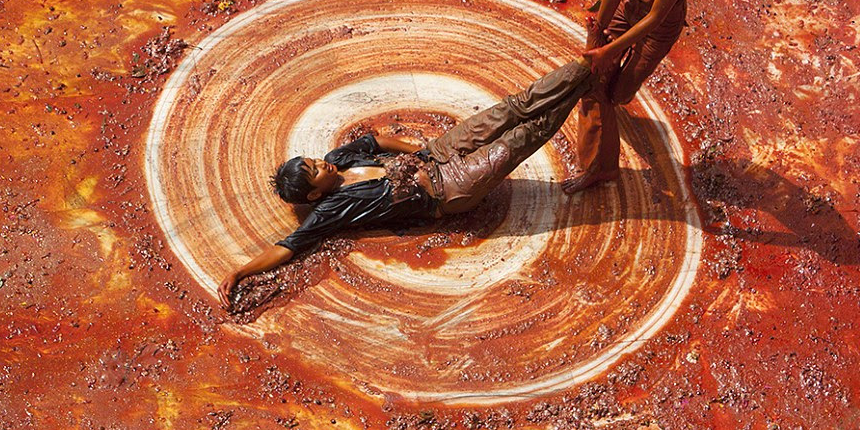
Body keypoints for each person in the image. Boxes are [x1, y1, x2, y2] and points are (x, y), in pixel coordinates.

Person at [217, 57, 595, 307]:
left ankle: (585, 67)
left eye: (314, 160)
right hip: (448, 187)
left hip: (437, 153)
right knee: (523, 137)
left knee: (511, 108)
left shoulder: (338, 159)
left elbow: (375, 141)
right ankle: (589, 84)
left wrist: (417, 148)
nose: (323, 164)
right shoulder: (330, 210)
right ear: (315, 193)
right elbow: (287, 247)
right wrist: (240, 271)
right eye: (316, 170)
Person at [561, 0, 696, 194]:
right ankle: (601, 169)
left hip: (657, 28)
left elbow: (657, 17)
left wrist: (609, 50)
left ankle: (611, 102)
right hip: (631, 9)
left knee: (620, 94)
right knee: (597, 84)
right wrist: (601, 27)